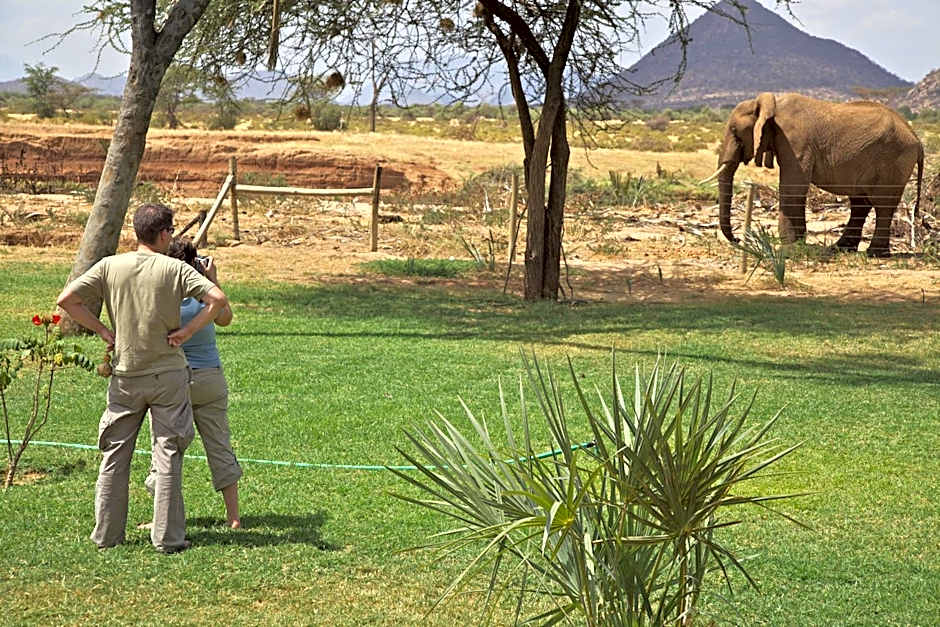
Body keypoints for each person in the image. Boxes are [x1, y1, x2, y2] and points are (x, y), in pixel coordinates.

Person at [57, 203, 228, 554]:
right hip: (167, 375)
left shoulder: (109, 266)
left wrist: (103, 330)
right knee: (167, 453)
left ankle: (106, 535)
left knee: (114, 455)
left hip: (125, 376)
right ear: (164, 233)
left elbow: (67, 299)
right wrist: (187, 330)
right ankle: (168, 539)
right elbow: (217, 299)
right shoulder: (174, 269)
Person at [144, 238, 242, 529]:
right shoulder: (205, 296)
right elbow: (225, 318)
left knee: (165, 447)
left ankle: (162, 518)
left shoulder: (164, 296)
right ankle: (234, 517)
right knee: (220, 444)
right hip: (210, 377)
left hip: (174, 381)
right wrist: (213, 280)